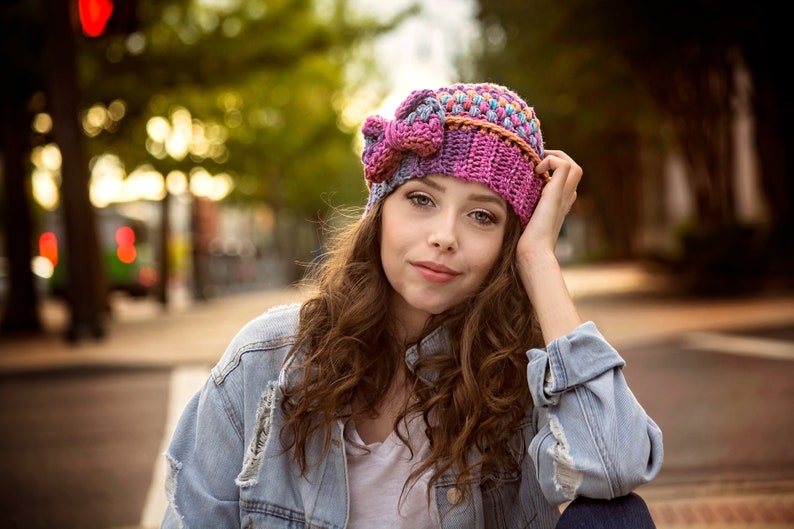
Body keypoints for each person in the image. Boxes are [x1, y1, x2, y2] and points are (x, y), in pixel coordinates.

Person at [160, 82, 663, 529]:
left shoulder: (516, 374)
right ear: (380, 211)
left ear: (508, 242)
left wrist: (538, 260)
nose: (444, 237)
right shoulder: (265, 360)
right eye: (422, 200)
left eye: (482, 216)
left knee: (615, 517)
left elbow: (613, 464)